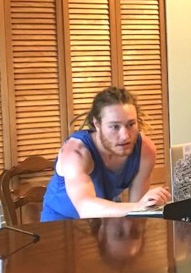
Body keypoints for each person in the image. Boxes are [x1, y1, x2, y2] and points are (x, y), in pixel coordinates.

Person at [41, 87, 170, 220]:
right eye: (115, 126)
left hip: (101, 222)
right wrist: (138, 206)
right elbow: (85, 208)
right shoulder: (75, 152)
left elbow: (138, 214)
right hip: (59, 224)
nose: (125, 136)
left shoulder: (145, 150)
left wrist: (148, 204)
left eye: (130, 124)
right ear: (97, 124)